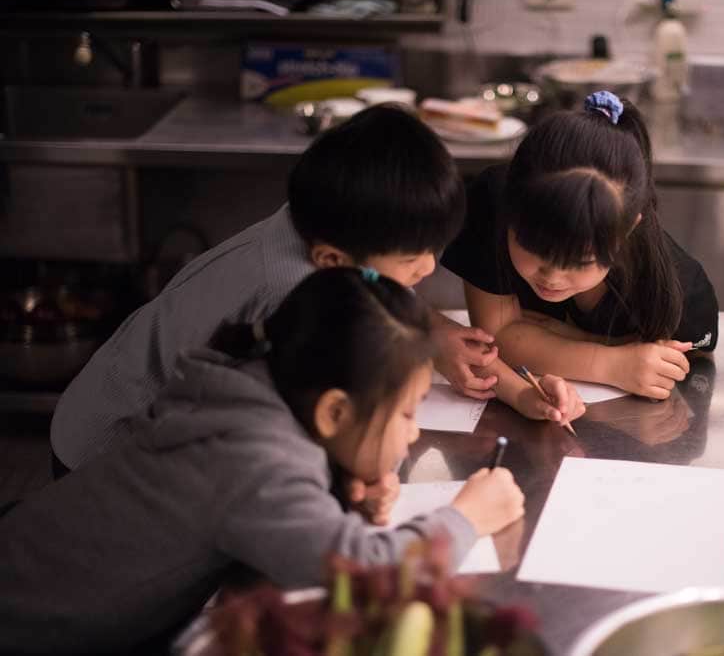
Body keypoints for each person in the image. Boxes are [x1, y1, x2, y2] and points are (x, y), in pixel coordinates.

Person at [0, 268, 526, 655]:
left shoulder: (246, 378)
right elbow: (362, 569)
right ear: (334, 411)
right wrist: (466, 517)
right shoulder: (259, 465)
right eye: (408, 414)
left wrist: (338, 480)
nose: (413, 433)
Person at [49, 104, 531, 483]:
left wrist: (436, 332)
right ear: (330, 260)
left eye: (431, 250)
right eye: (411, 261)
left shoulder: (321, 220)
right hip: (105, 451)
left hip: (107, 408)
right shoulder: (293, 293)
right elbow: (307, 434)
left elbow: (368, 280)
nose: (427, 268)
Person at [441, 91, 720, 400]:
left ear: (628, 229)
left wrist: (567, 339)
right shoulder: (493, 200)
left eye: (581, 261)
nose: (552, 278)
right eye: (534, 249)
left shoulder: (682, 294)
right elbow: (499, 337)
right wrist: (612, 361)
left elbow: (675, 365)